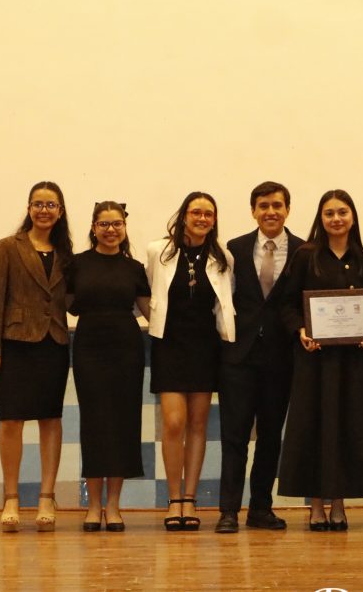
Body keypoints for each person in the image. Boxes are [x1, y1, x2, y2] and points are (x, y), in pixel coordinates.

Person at [278, 189, 363, 531]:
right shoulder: (306, 256)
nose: (336, 219)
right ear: (320, 219)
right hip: (314, 361)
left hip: (353, 363)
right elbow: (287, 304)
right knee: (313, 428)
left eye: (342, 212)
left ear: (353, 216)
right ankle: (316, 506)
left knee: (348, 429)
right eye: (329, 213)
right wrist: (300, 331)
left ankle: (339, 503)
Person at [0, 181, 73, 532]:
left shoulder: (66, 253)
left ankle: (47, 498)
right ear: (29, 208)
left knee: (51, 419)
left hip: (54, 344)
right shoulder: (8, 247)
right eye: (38, 204)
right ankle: (11, 499)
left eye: (51, 205)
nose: (44, 210)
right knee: (11, 422)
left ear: (60, 211)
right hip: (15, 342)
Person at [215, 182, 305, 534]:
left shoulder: (303, 250)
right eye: (264, 205)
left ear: (287, 209)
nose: (271, 211)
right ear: (253, 210)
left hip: (282, 359)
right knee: (234, 437)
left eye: (277, 205)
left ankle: (261, 509)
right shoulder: (233, 248)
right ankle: (227, 511)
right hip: (239, 357)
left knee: (270, 438)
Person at [145, 192, 236, 531]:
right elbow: (147, 293)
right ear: (184, 215)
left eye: (208, 214)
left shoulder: (222, 256)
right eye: (196, 212)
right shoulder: (159, 251)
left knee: (198, 424)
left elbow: (224, 303)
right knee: (173, 423)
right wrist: (153, 319)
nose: (202, 219)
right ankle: (173, 498)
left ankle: (190, 500)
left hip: (206, 348)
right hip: (169, 346)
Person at [66, 201, 150, 532]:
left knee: (123, 423)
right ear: (93, 227)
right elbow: (66, 304)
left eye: (117, 224)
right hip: (88, 347)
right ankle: (93, 505)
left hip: (127, 348)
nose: (111, 230)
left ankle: (114, 506)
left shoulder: (135, 268)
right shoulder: (77, 264)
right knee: (95, 423)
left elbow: (148, 309)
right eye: (104, 224)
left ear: (124, 228)